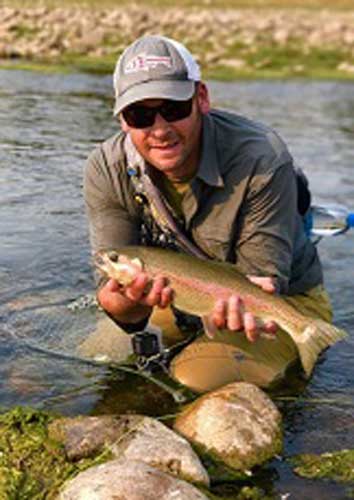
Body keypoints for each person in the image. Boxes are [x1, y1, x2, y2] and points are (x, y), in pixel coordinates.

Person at [84, 35, 332, 392]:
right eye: (140, 115)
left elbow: (264, 283)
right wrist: (129, 300)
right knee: (100, 359)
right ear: (123, 119)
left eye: (173, 108)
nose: (159, 129)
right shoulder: (106, 168)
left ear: (201, 98)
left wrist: (262, 307)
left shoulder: (261, 157)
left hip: (281, 305)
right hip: (183, 303)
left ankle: (309, 339)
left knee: (191, 379)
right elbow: (117, 305)